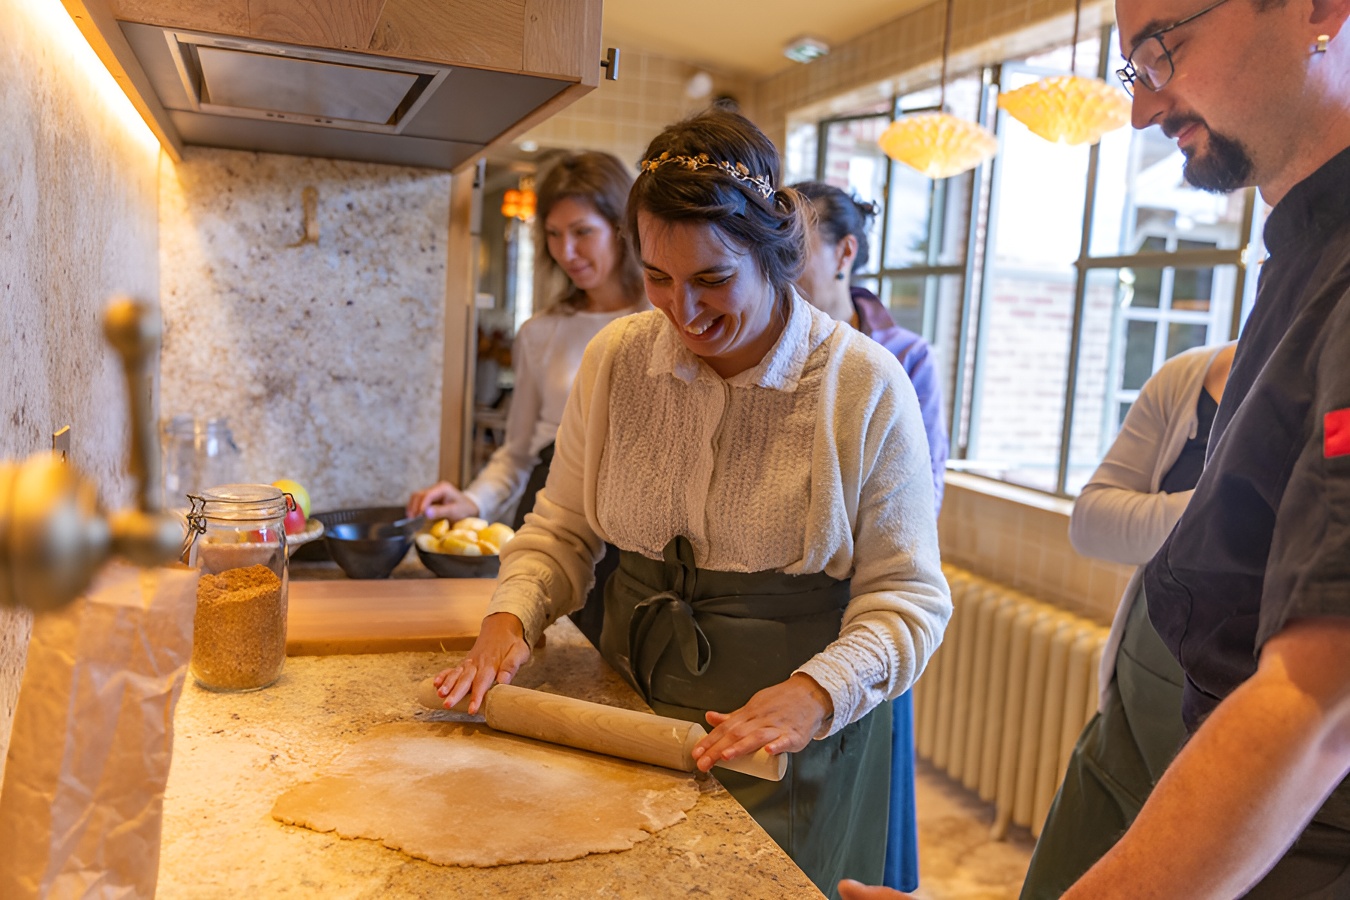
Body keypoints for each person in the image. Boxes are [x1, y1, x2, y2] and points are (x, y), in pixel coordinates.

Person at [847, 0, 1350, 896]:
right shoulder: (1302, 244)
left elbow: (1322, 705)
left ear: (1316, 8)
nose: (1143, 110)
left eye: (1162, 49)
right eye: (1133, 69)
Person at [433, 107, 952, 900]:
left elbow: (908, 597)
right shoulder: (618, 359)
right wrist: (513, 616)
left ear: (777, 255)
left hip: (786, 742)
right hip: (629, 709)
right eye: (657, 278)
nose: (683, 311)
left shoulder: (863, 384)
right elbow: (562, 527)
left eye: (713, 279)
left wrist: (816, 694)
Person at [1019, 341, 1235, 898]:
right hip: (1128, 721)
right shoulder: (1188, 377)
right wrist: (1225, 503)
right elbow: (1092, 522)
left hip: (1230, 753)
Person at [407, 151, 645, 645]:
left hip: (635, 529)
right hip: (552, 514)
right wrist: (472, 499)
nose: (567, 251)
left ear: (623, 227)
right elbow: (518, 453)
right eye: (553, 235)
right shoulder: (541, 332)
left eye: (582, 231)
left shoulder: (666, 321)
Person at [792, 180, 951, 894]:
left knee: (853, 821)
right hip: (780, 607)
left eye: (793, 248)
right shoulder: (770, 344)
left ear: (845, 251)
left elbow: (920, 499)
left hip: (862, 610)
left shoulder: (902, 357)